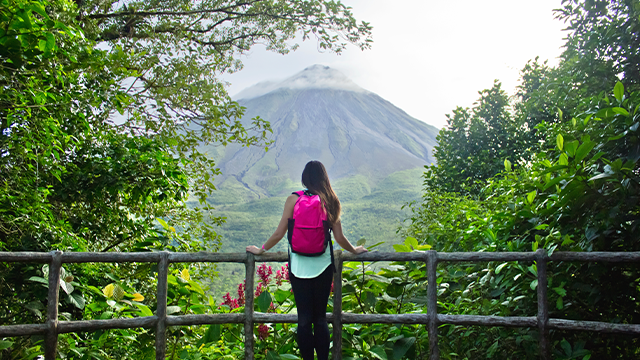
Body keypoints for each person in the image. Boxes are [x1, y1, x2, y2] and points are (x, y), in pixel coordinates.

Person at [246, 160, 367, 360]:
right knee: (320, 319)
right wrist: (354, 250)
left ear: (304, 178)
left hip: (299, 266)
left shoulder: (293, 199)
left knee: (303, 320)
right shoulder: (331, 200)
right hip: (323, 265)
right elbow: (338, 237)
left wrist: (261, 250)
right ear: (324, 177)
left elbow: (278, 233)